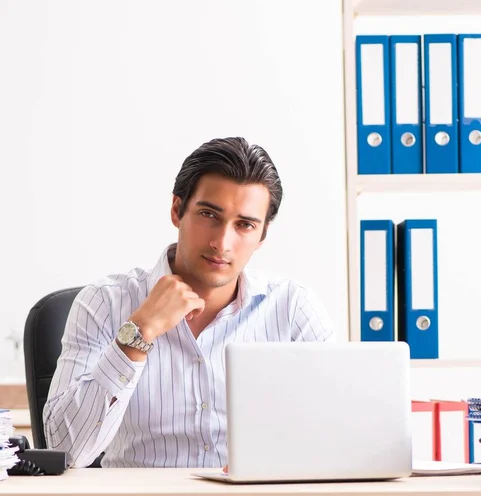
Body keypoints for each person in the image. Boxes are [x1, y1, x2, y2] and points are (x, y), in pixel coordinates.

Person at [43, 137, 335, 469]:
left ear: (262, 235)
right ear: (177, 210)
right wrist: (139, 332)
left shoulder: (294, 308)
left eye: (245, 225)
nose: (221, 242)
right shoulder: (104, 303)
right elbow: (64, 450)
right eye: (209, 214)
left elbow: (337, 435)